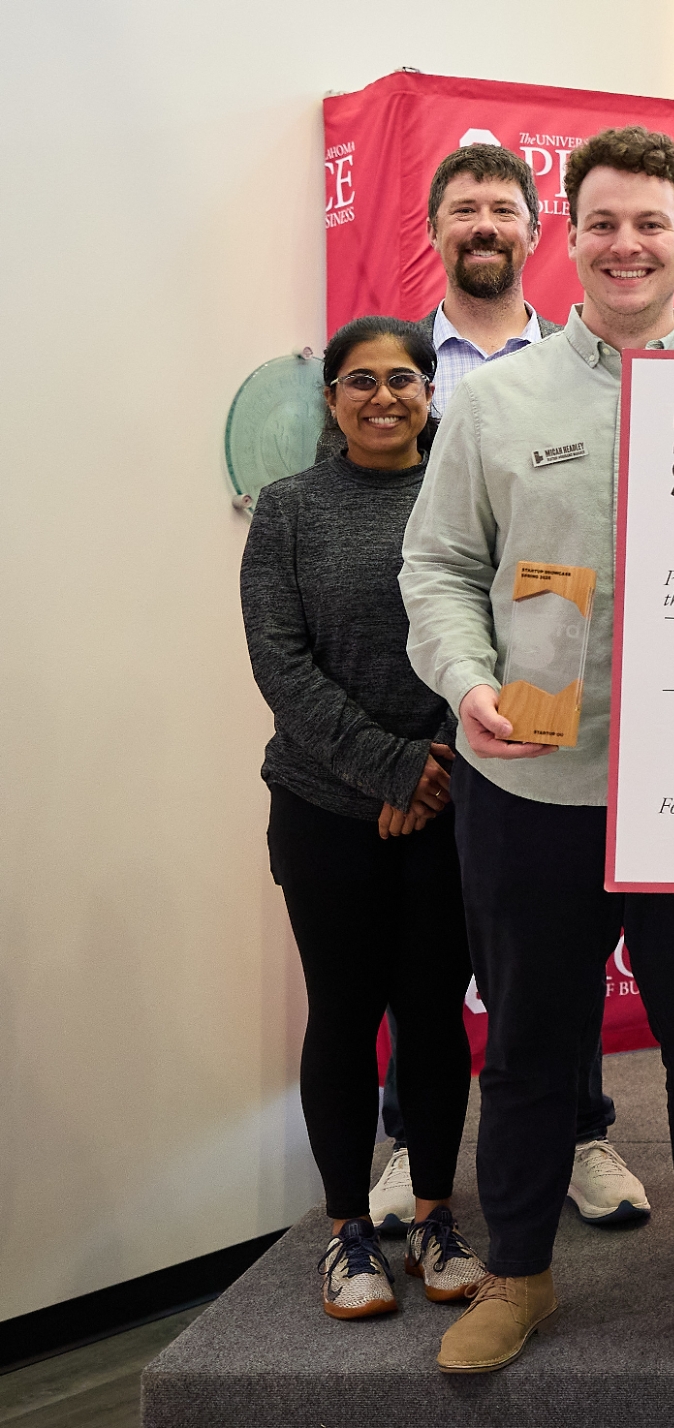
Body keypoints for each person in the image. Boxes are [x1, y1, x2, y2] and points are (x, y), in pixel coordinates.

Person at [402, 125, 674, 1376]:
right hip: (529, 787)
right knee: (524, 1047)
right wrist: (463, 679)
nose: (626, 245)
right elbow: (440, 566)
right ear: (570, 232)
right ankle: (517, 1276)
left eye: (649, 224)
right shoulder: (495, 401)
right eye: (602, 222)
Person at [367, 142, 647, 1242]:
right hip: (486, 730)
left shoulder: (671, 375)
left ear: (537, 233)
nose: (483, 225)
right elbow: (432, 564)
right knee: (480, 975)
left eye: (502, 208)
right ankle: (420, 1151)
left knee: (597, 1002)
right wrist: (461, 687)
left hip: (641, 751)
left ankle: (583, 1137)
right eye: (462, 209)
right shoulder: (421, 376)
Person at [241, 316, 485, 1321]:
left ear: (431, 391)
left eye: (402, 378)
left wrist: (429, 770)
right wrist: (387, 769)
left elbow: (496, 631)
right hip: (325, 806)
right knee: (344, 1015)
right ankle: (347, 1230)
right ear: (331, 398)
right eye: (359, 381)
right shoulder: (289, 511)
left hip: (447, 798)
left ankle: (432, 1212)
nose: (382, 396)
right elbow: (280, 665)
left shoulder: (467, 500)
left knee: (433, 1015)